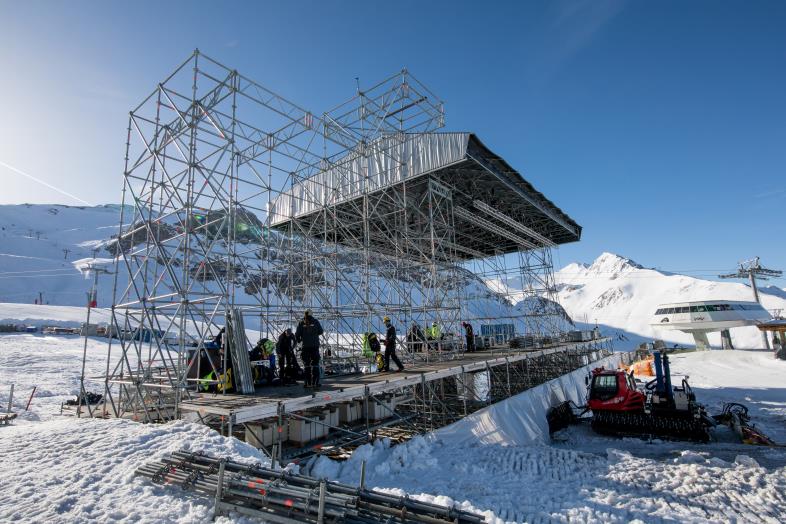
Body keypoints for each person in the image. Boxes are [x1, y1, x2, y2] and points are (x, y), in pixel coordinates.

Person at [295, 310, 323, 388]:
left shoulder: (301, 323)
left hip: (305, 347)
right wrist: (314, 334)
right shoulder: (315, 321)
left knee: (306, 365)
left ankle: (307, 383)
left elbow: (297, 335)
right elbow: (321, 331)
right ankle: (315, 383)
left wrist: (300, 339)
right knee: (315, 365)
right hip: (315, 346)